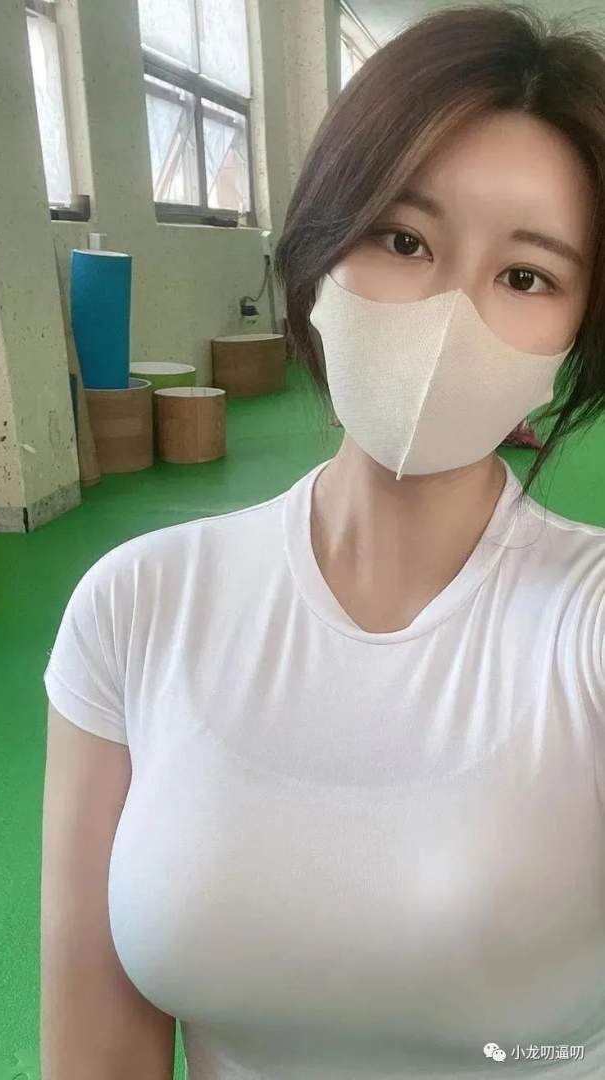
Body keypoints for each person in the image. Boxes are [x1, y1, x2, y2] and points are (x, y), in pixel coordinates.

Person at [42, 4, 605, 1079]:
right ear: (320, 246)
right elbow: (100, 1052)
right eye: (404, 239)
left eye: (526, 275)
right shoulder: (136, 609)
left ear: (577, 338)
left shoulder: (586, 625)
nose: (450, 315)